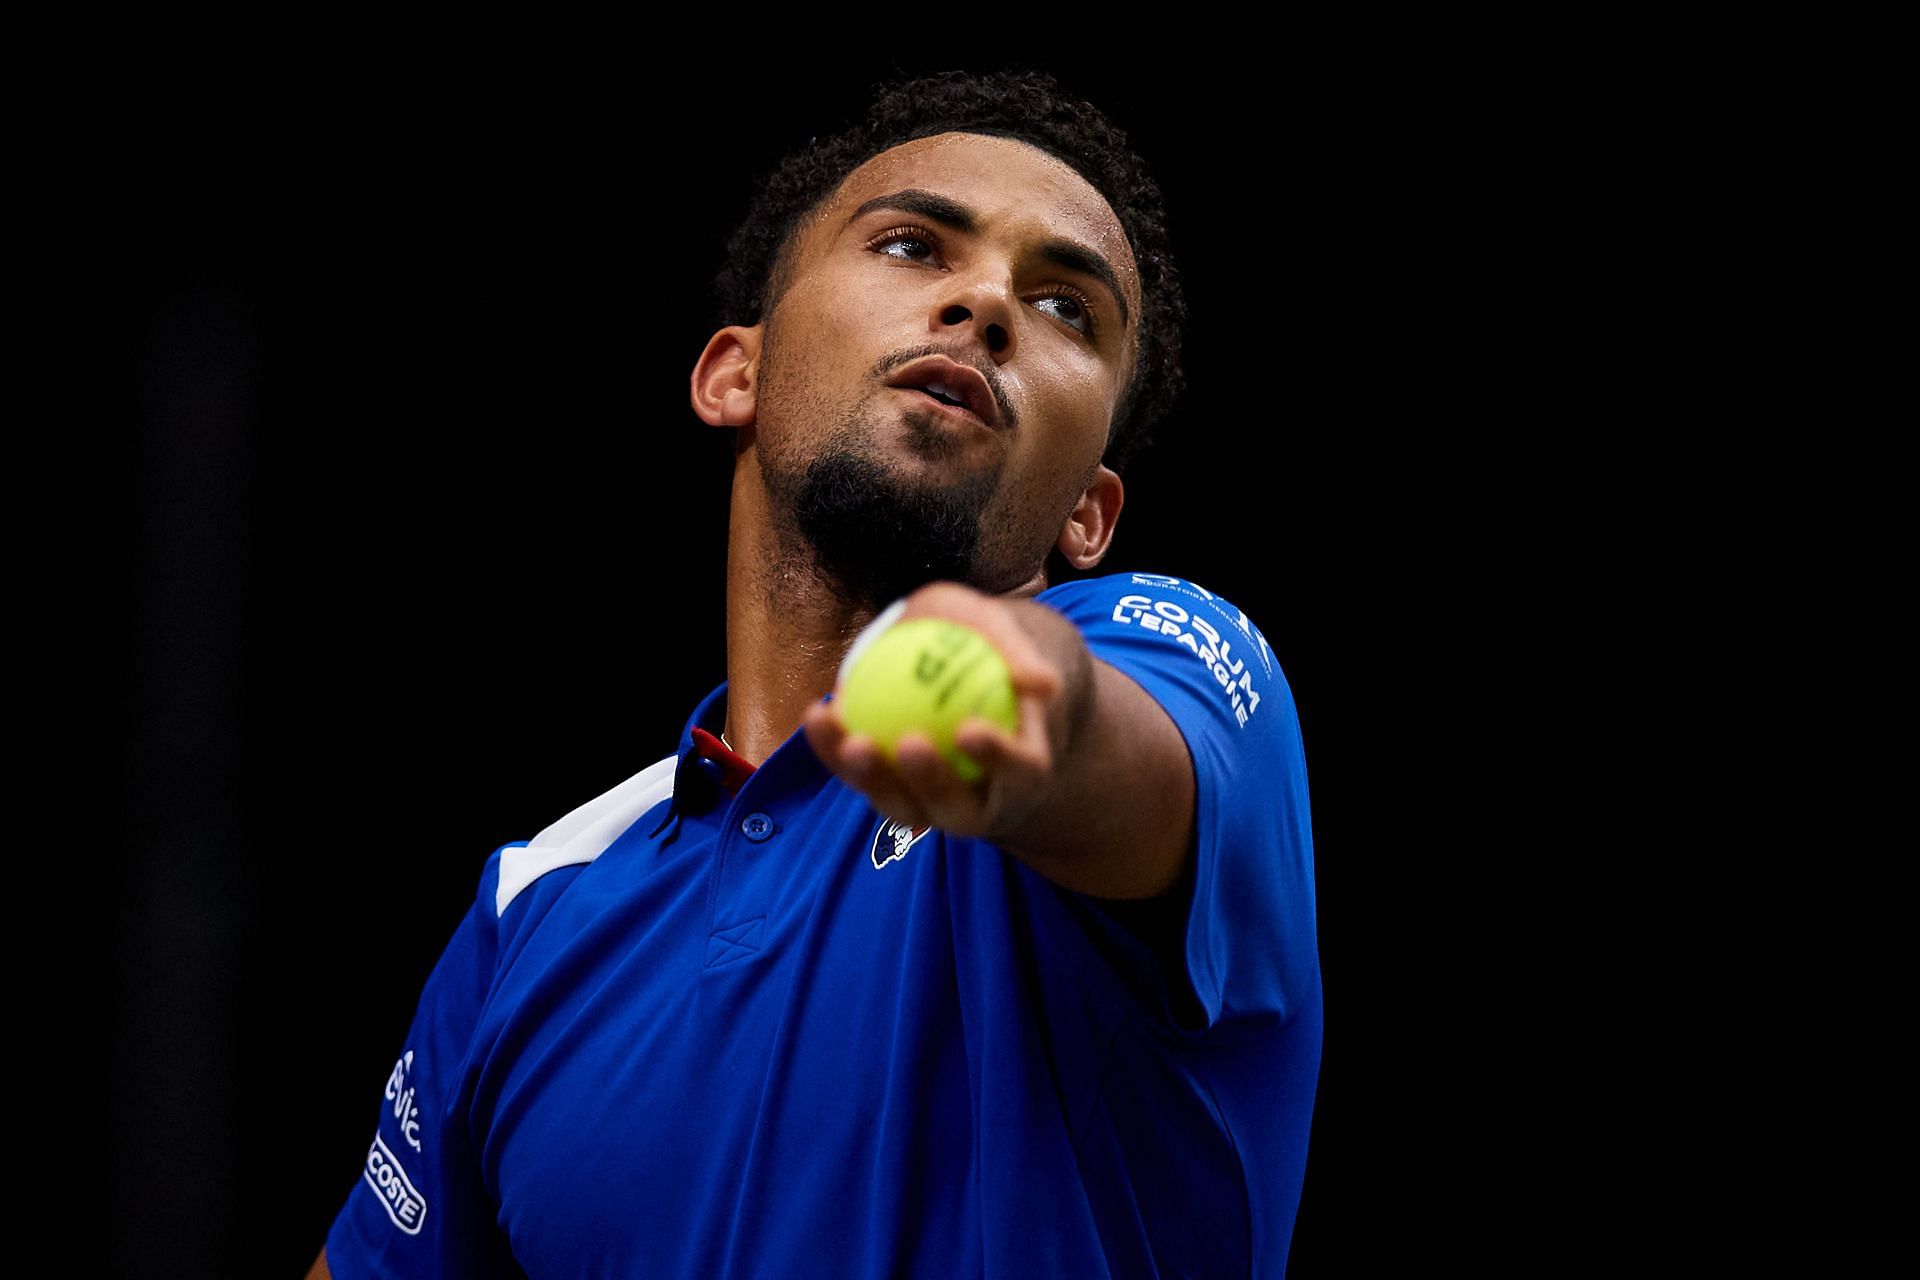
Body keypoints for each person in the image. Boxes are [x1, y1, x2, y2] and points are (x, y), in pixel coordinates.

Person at [309, 68, 1321, 1278]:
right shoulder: (534, 905)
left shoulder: (1186, 659)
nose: (989, 300)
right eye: (911, 243)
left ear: (1091, 516)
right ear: (735, 371)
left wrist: (1015, 698)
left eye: (1065, 309)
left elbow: (1109, 743)